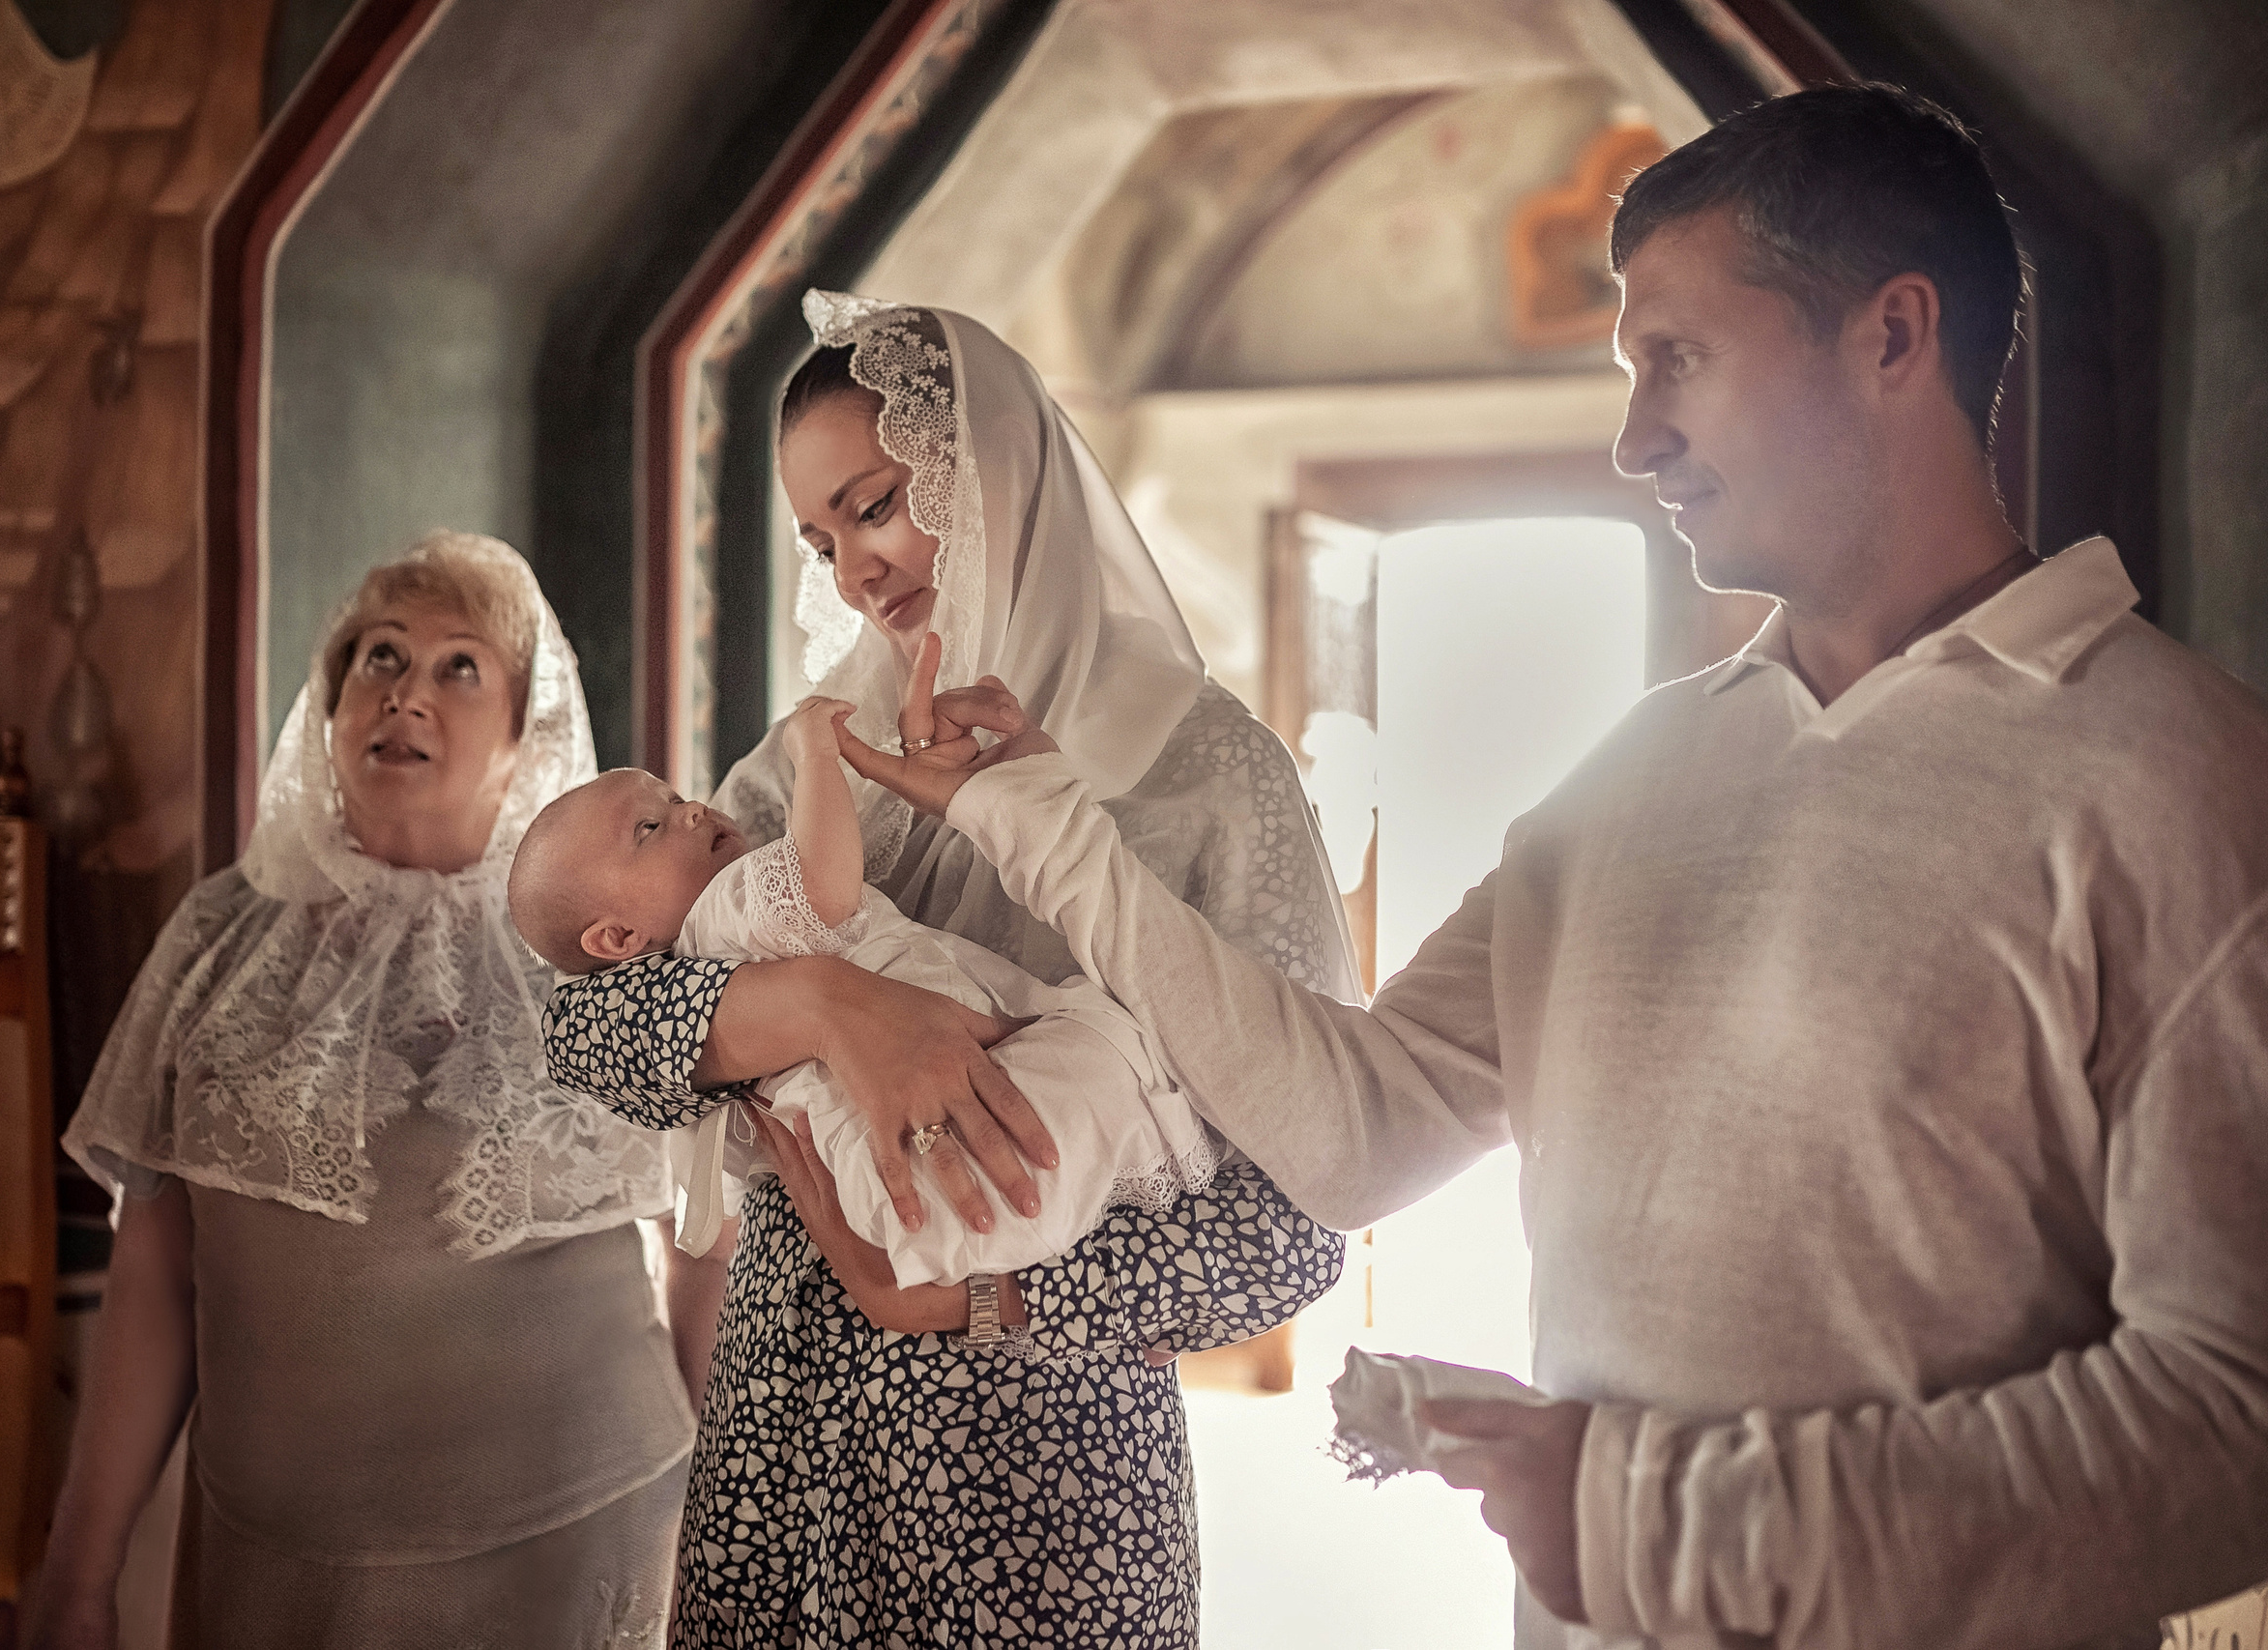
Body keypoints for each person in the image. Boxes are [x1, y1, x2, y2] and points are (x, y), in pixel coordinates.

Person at [826, 85, 2268, 1650]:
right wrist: (1040, 820)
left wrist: (1649, 1514)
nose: (1636, 435)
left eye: (1680, 359)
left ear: (1893, 335)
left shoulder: (2177, 780)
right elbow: (1360, 1132)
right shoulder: (1631, 778)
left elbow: (2234, 1414)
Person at [540, 292, 1358, 1645]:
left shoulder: (1211, 779)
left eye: (874, 505)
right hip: (783, 1441)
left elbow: (1303, 1210)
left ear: (991, 473)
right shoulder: (805, 753)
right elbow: (586, 1027)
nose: (855, 569)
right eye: (819, 538)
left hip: (1042, 1468)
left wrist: (972, 1296)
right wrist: (822, 1002)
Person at [24, 534, 717, 1649]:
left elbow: (704, 1243)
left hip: (580, 1540)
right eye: (380, 656)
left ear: (521, 735)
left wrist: (724, 1547)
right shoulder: (218, 932)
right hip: (267, 1561)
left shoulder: (604, 947)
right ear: (333, 694)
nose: (407, 694)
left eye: (460, 668)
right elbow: (154, 1272)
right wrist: (79, 1573)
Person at [506, 702, 1212, 1287]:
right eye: (650, 828)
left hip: (886, 1203)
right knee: (1097, 1060)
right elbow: (824, 888)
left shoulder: (703, 959)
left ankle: (1052, 1238)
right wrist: (815, 758)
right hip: (914, 1161)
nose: (691, 810)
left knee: (1049, 1111)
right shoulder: (727, 906)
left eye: (674, 795)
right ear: (616, 941)